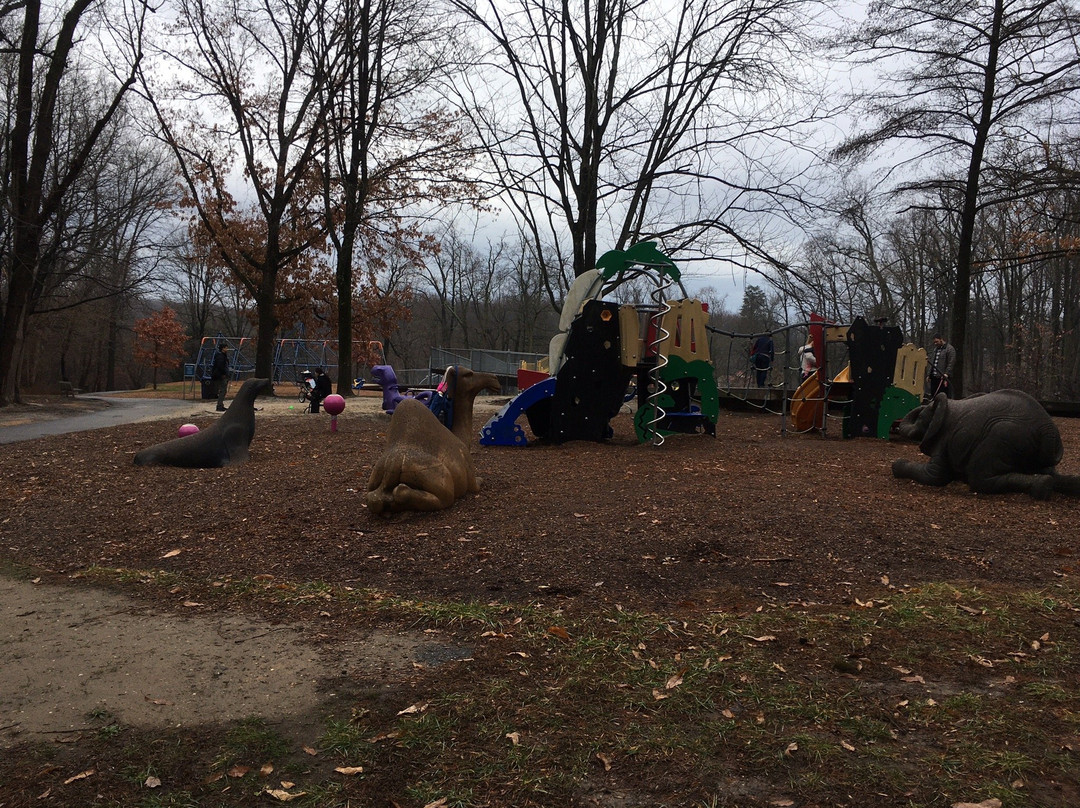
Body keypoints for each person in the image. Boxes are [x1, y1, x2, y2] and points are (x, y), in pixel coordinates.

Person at [927, 333, 956, 400]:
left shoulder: (949, 349)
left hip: (943, 378)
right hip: (934, 377)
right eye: (934, 342)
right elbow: (932, 362)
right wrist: (929, 374)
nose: (935, 343)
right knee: (933, 395)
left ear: (941, 339)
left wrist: (947, 373)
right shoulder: (935, 350)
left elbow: (951, 362)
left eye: (936, 341)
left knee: (943, 396)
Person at [210, 344, 229, 412]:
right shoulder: (221, 356)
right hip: (221, 376)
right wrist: (223, 373)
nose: (227, 349)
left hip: (220, 375)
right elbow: (220, 366)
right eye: (226, 348)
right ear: (223, 349)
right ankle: (219, 405)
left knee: (222, 390)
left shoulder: (221, 356)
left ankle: (220, 405)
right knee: (223, 390)